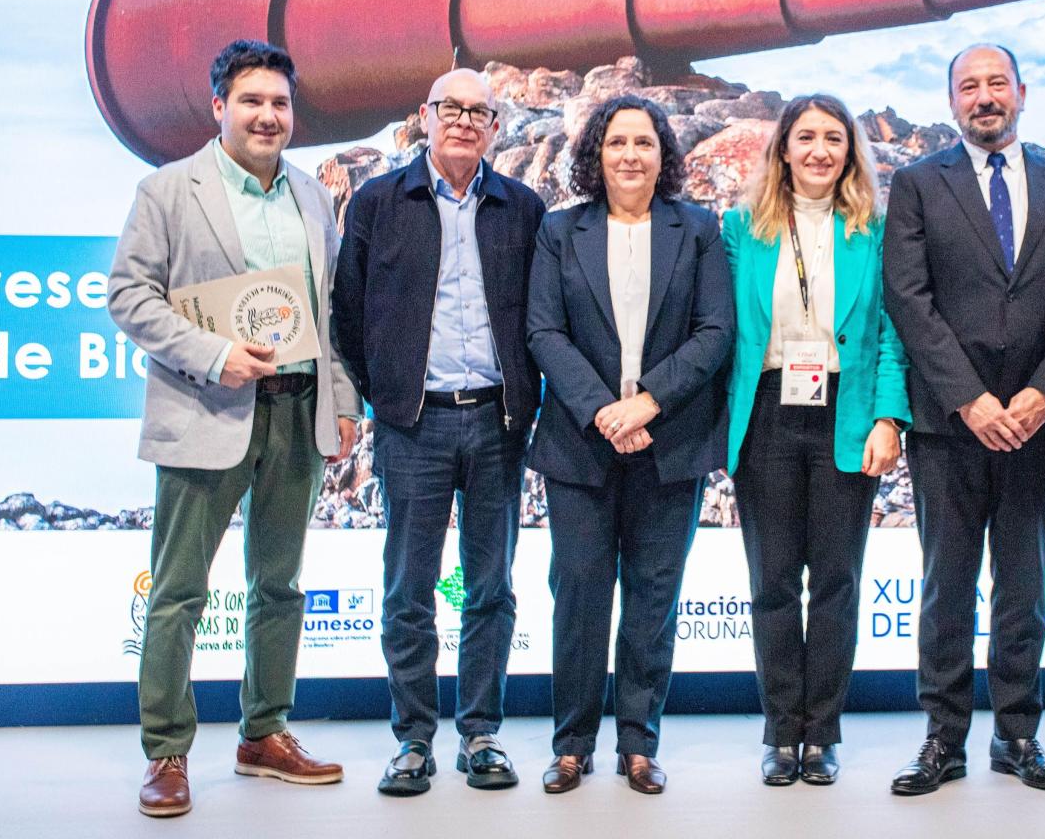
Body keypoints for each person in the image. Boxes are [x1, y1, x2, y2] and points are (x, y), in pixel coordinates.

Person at [107, 39, 361, 818]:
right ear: (219, 107)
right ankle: (167, 751)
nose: (268, 115)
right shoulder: (167, 191)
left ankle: (264, 734)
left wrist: (345, 402)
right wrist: (213, 353)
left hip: (298, 411)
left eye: (280, 103)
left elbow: (331, 314)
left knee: (279, 585)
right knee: (179, 592)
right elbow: (128, 296)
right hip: (206, 409)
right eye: (252, 101)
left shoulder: (313, 200)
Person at [882, 43, 1045, 796]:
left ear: (1023, 93)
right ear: (951, 103)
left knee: (1024, 584)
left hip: (1039, 418)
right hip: (950, 423)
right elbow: (910, 300)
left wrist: (1042, 392)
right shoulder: (915, 184)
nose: (984, 97)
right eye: (968, 86)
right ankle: (943, 737)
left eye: (995, 83)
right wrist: (970, 398)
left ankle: (1019, 735)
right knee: (945, 583)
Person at [331, 69, 546, 796]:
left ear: (495, 127)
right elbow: (348, 315)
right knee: (408, 588)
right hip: (412, 425)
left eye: (477, 112)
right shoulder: (377, 202)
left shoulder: (523, 207)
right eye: (448, 108)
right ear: (424, 117)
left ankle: (481, 733)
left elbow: (542, 317)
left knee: (491, 587)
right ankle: (414, 739)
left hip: (497, 420)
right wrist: (384, 393)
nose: (462, 121)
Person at [526, 95, 734, 795]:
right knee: (579, 593)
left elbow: (714, 331)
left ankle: (639, 743)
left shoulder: (700, 228)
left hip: (670, 440)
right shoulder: (560, 232)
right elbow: (544, 332)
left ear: (663, 155)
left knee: (653, 595)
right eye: (616, 143)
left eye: (644, 143)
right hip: (581, 445)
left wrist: (647, 402)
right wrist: (604, 412)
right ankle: (571, 743)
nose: (630, 155)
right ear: (596, 154)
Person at [722, 94, 912, 786]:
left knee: (836, 581)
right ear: (783, 149)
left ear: (851, 152)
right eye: (806, 137)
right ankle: (780, 732)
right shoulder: (741, 229)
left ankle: (822, 732)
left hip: (848, 413)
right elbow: (721, 332)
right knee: (772, 582)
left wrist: (889, 419)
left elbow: (893, 333)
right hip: (768, 410)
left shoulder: (874, 231)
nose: (819, 151)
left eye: (834, 138)